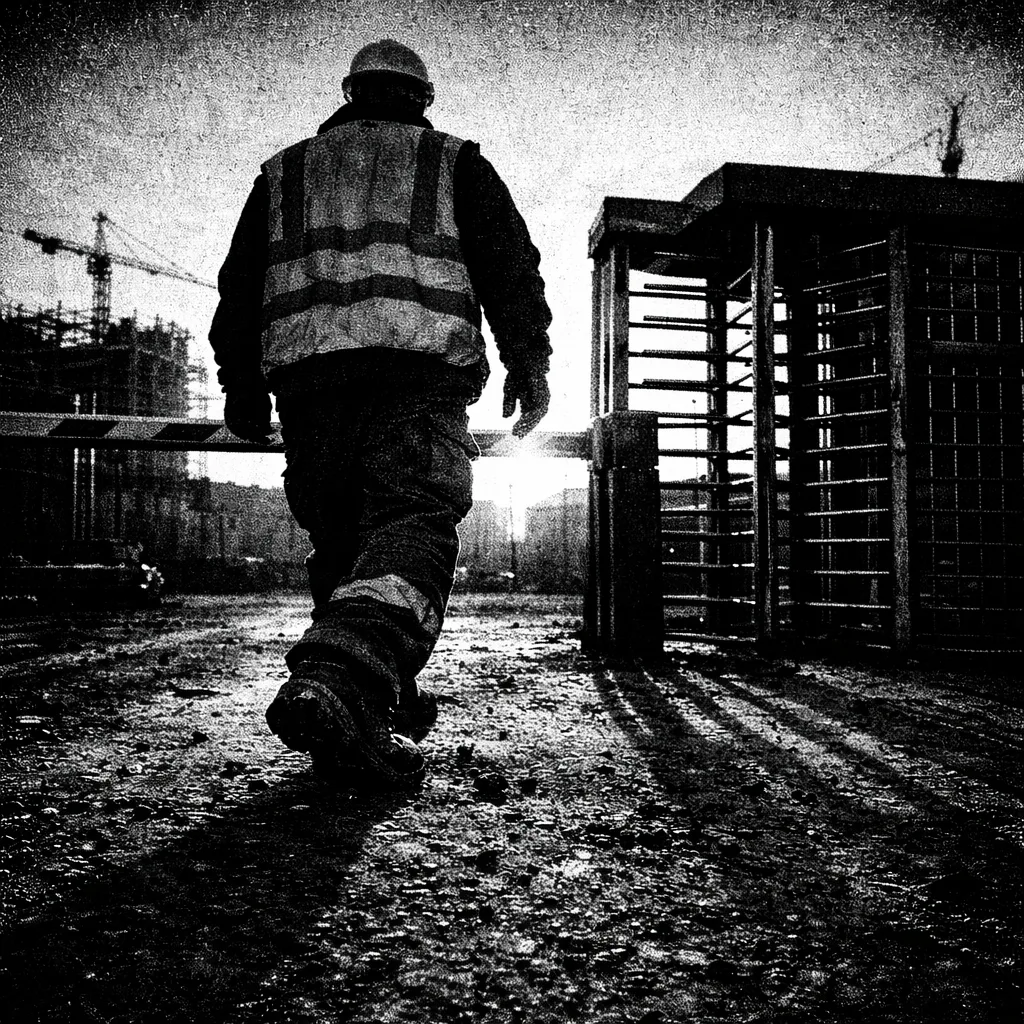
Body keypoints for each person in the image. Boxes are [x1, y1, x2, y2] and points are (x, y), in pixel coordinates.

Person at [208, 40, 552, 787]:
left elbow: (240, 285)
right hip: (416, 374)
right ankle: (344, 672)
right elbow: (509, 267)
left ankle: (362, 713)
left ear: (350, 91)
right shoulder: (452, 162)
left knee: (344, 544)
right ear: (421, 99)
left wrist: (242, 383)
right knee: (412, 521)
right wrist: (530, 363)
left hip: (311, 386)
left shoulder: (286, 171)